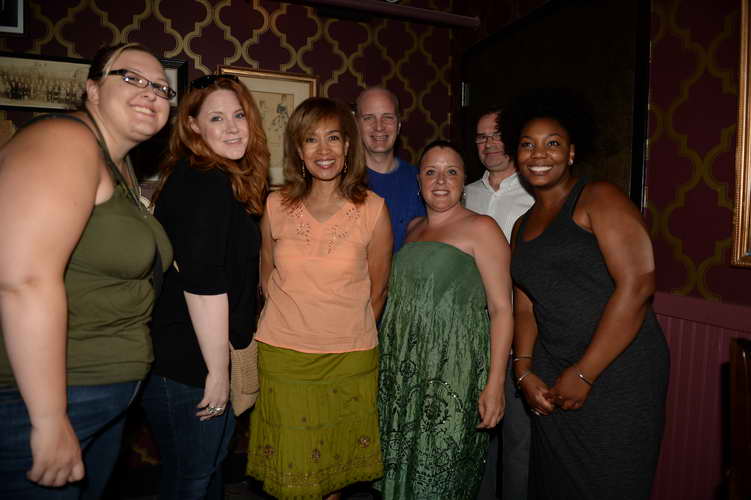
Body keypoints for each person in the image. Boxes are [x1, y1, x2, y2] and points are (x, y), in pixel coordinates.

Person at [0, 43, 173, 498]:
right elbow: (23, 280)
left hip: (98, 396)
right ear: (92, 89)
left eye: (161, 87)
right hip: (42, 400)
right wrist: (48, 418)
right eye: (131, 78)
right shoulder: (63, 140)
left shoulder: (120, 165)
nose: (150, 92)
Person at [507, 96, 669, 500]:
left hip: (617, 371)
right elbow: (525, 304)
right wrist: (523, 370)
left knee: (610, 483)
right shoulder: (520, 226)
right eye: (527, 144)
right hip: (552, 376)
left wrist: (584, 373)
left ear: (571, 153)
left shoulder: (598, 197)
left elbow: (638, 285)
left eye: (552, 143)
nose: (538, 154)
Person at [246, 97, 393, 500]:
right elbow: (266, 277)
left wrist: (343, 332)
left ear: (348, 146)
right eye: (311, 139)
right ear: (298, 149)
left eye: (333, 138)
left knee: (332, 473)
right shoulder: (275, 205)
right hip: (284, 355)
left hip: (348, 358)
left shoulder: (374, 210)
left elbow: (379, 290)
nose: (323, 150)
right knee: (290, 471)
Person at [140, 73, 269, 500]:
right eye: (217, 118)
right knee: (191, 481)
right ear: (194, 126)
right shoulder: (205, 179)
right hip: (189, 364)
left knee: (205, 474)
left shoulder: (215, 176)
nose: (232, 128)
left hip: (196, 357)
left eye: (239, 115)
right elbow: (203, 281)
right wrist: (217, 373)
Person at [377, 141, 514, 499]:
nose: (441, 180)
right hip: (405, 369)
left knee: (442, 475)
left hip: (454, 371)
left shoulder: (482, 228)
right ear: (419, 181)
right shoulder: (413, 229)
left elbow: (502, 309)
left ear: (464, 180)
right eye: (431, 171)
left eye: (451, 172)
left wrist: (495, 383)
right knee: (400, 469)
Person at [465, 108, 534, 500]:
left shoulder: (534, 195)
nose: (488, 144)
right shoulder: (462, 194)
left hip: (518, 335)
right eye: (480, 137)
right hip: (468, 335)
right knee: (476, 439)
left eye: (496, 135)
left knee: (517, 443)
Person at [355, 86, 425, 251]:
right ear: (356, 125)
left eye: (387, 117)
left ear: (399, 125)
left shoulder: (422, 180)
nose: (379, 127)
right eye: (369, 118)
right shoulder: (341, 181)